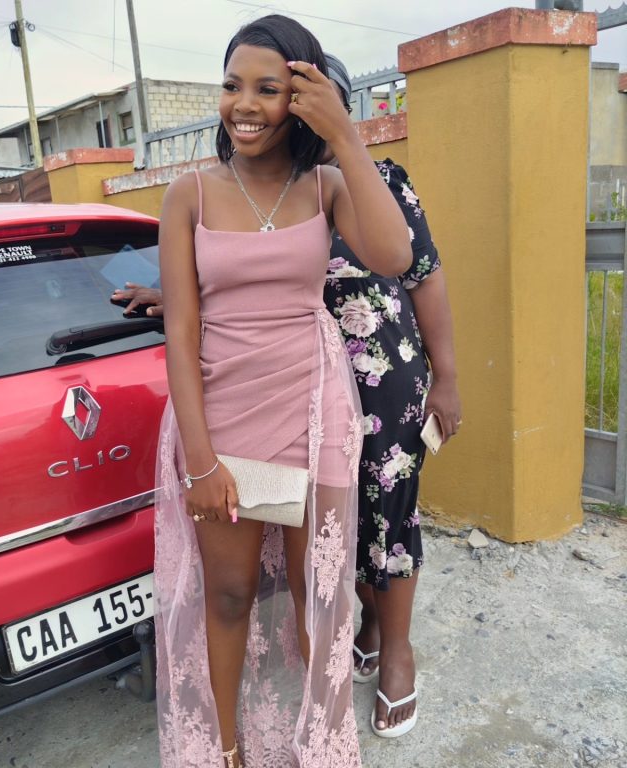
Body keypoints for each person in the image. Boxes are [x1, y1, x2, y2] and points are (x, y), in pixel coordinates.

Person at [152, 14, 411, 768]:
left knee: (316, 594)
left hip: (311, 412)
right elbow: (181, 334)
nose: (244, 104)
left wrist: (348, 137)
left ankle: (317, 747)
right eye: (232, 85)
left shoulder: (324, 186)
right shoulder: (188, 195)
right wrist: (200, 460)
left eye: (267, 89)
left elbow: (395, 255)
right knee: (230, 593)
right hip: (226, 420)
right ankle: (226, 750)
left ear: (301, 98)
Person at [322, 54, 461, 738]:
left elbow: (425, 277)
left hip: (390, 382)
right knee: (339, 517)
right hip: (311, 386)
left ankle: (398, 652)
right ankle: (371, 619)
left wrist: (448, 377)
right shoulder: (279, 193)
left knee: (390, 515)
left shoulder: (384, 180)